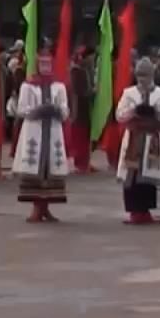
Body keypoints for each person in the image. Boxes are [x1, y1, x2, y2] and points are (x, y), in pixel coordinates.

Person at [11, 48, 69, 222]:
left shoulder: (59, 86)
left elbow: (65, 109)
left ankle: (46, 208)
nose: (45, 67)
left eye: (48, 63)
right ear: (36, 65)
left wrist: (57, 110)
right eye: (42, 63)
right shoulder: (27, 86)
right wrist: (37, 110)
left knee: (50, 168)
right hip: (34, 131)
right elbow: (21, 110)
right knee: (35, 167)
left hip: (53, 130)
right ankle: (37, 208)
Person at [114, 58, 160, 225]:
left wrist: (156, 113)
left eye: (145, 75)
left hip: (151, 138)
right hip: (134, 137)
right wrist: (134, 111)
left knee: (149, 175)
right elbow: (119, 115)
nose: (142, 79)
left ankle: (145, 211)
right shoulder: (129, 93)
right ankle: (134, 211)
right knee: (132, 175)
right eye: (139, 75)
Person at [66, 46, 96, 174]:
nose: (92, 60)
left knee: (85, 136)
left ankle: (85, 161)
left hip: (85, 108)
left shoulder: (86, 70)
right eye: (91, 57)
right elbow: (80, 91)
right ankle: (81, 163)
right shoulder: (77, 71)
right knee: (80, 136)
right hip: (79, 109)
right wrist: (92, 91)